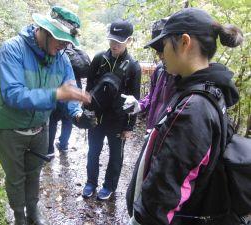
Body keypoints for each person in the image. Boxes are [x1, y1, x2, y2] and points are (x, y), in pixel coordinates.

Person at [126, 7, 243, 225]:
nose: (161, 54)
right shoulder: (208, 90)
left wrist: (143, 220)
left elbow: (167, 188)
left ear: (184, 42)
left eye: (164, 45)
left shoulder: (194, 108)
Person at [0, 6, 91, 225]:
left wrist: (78, 114)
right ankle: (19, 216)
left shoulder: (61, 59)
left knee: (34, 174)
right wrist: (56, 94)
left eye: (67, 43)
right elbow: (13, 95)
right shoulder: (12, 50)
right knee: (15, 178)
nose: (64, 46)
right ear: (44, 30)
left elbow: (70, 90)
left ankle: (33, 211)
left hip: (40, 129)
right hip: (9, 128)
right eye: (60, 40)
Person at [82, 19, 141, 200]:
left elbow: (134, 100)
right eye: (111, 40)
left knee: (116, 156)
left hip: (118, 119)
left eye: (119, 41)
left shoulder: (133, 66)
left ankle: (109, 186)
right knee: (93, 151)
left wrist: (129, 127)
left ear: (129, 40)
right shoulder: (99, 59)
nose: (114, 45)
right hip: (97, 117)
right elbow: (89, 88)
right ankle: (91, 182)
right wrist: (86, 113)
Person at [122, 18, 176, 131]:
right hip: (152, 132)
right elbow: (152, 97)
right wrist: (140, 105)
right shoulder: (160, 70)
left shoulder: (187, 78)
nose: (159, 55)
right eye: (156, 49)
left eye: (162, 48)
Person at [48, 44, 91, 156]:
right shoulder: (77, 53)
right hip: (74, 91)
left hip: (60, 91)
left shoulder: (60, 54)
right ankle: (64, 145)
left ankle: (49, 150)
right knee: (67, 120)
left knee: (52, 120)